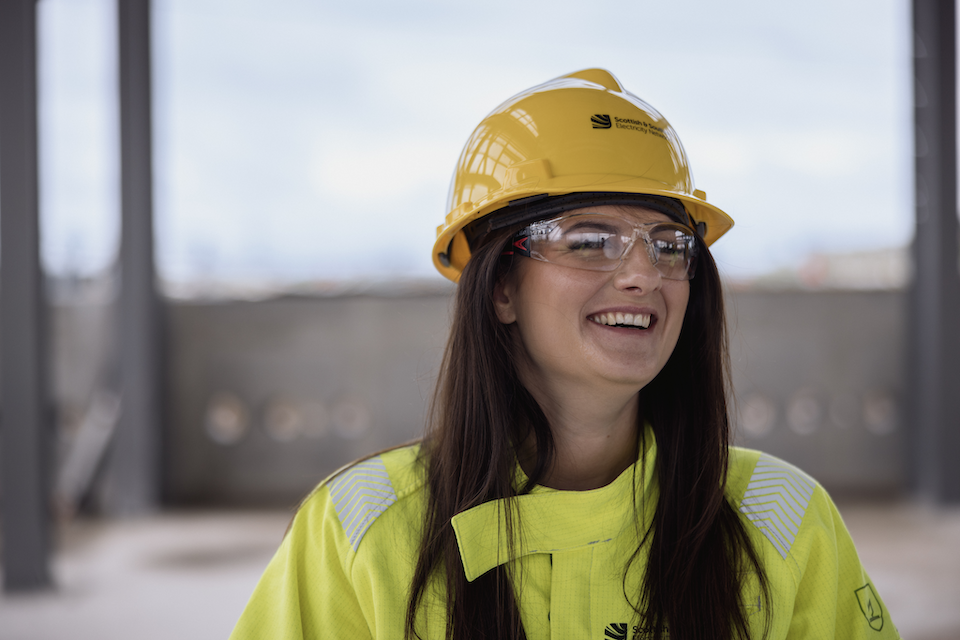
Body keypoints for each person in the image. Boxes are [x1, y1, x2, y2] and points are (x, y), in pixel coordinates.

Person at [230, 69, 899, 640]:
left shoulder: (781, 520)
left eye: (669, 244)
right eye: (589, 240)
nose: (644, 274)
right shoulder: (361, 529)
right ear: (499, 288)